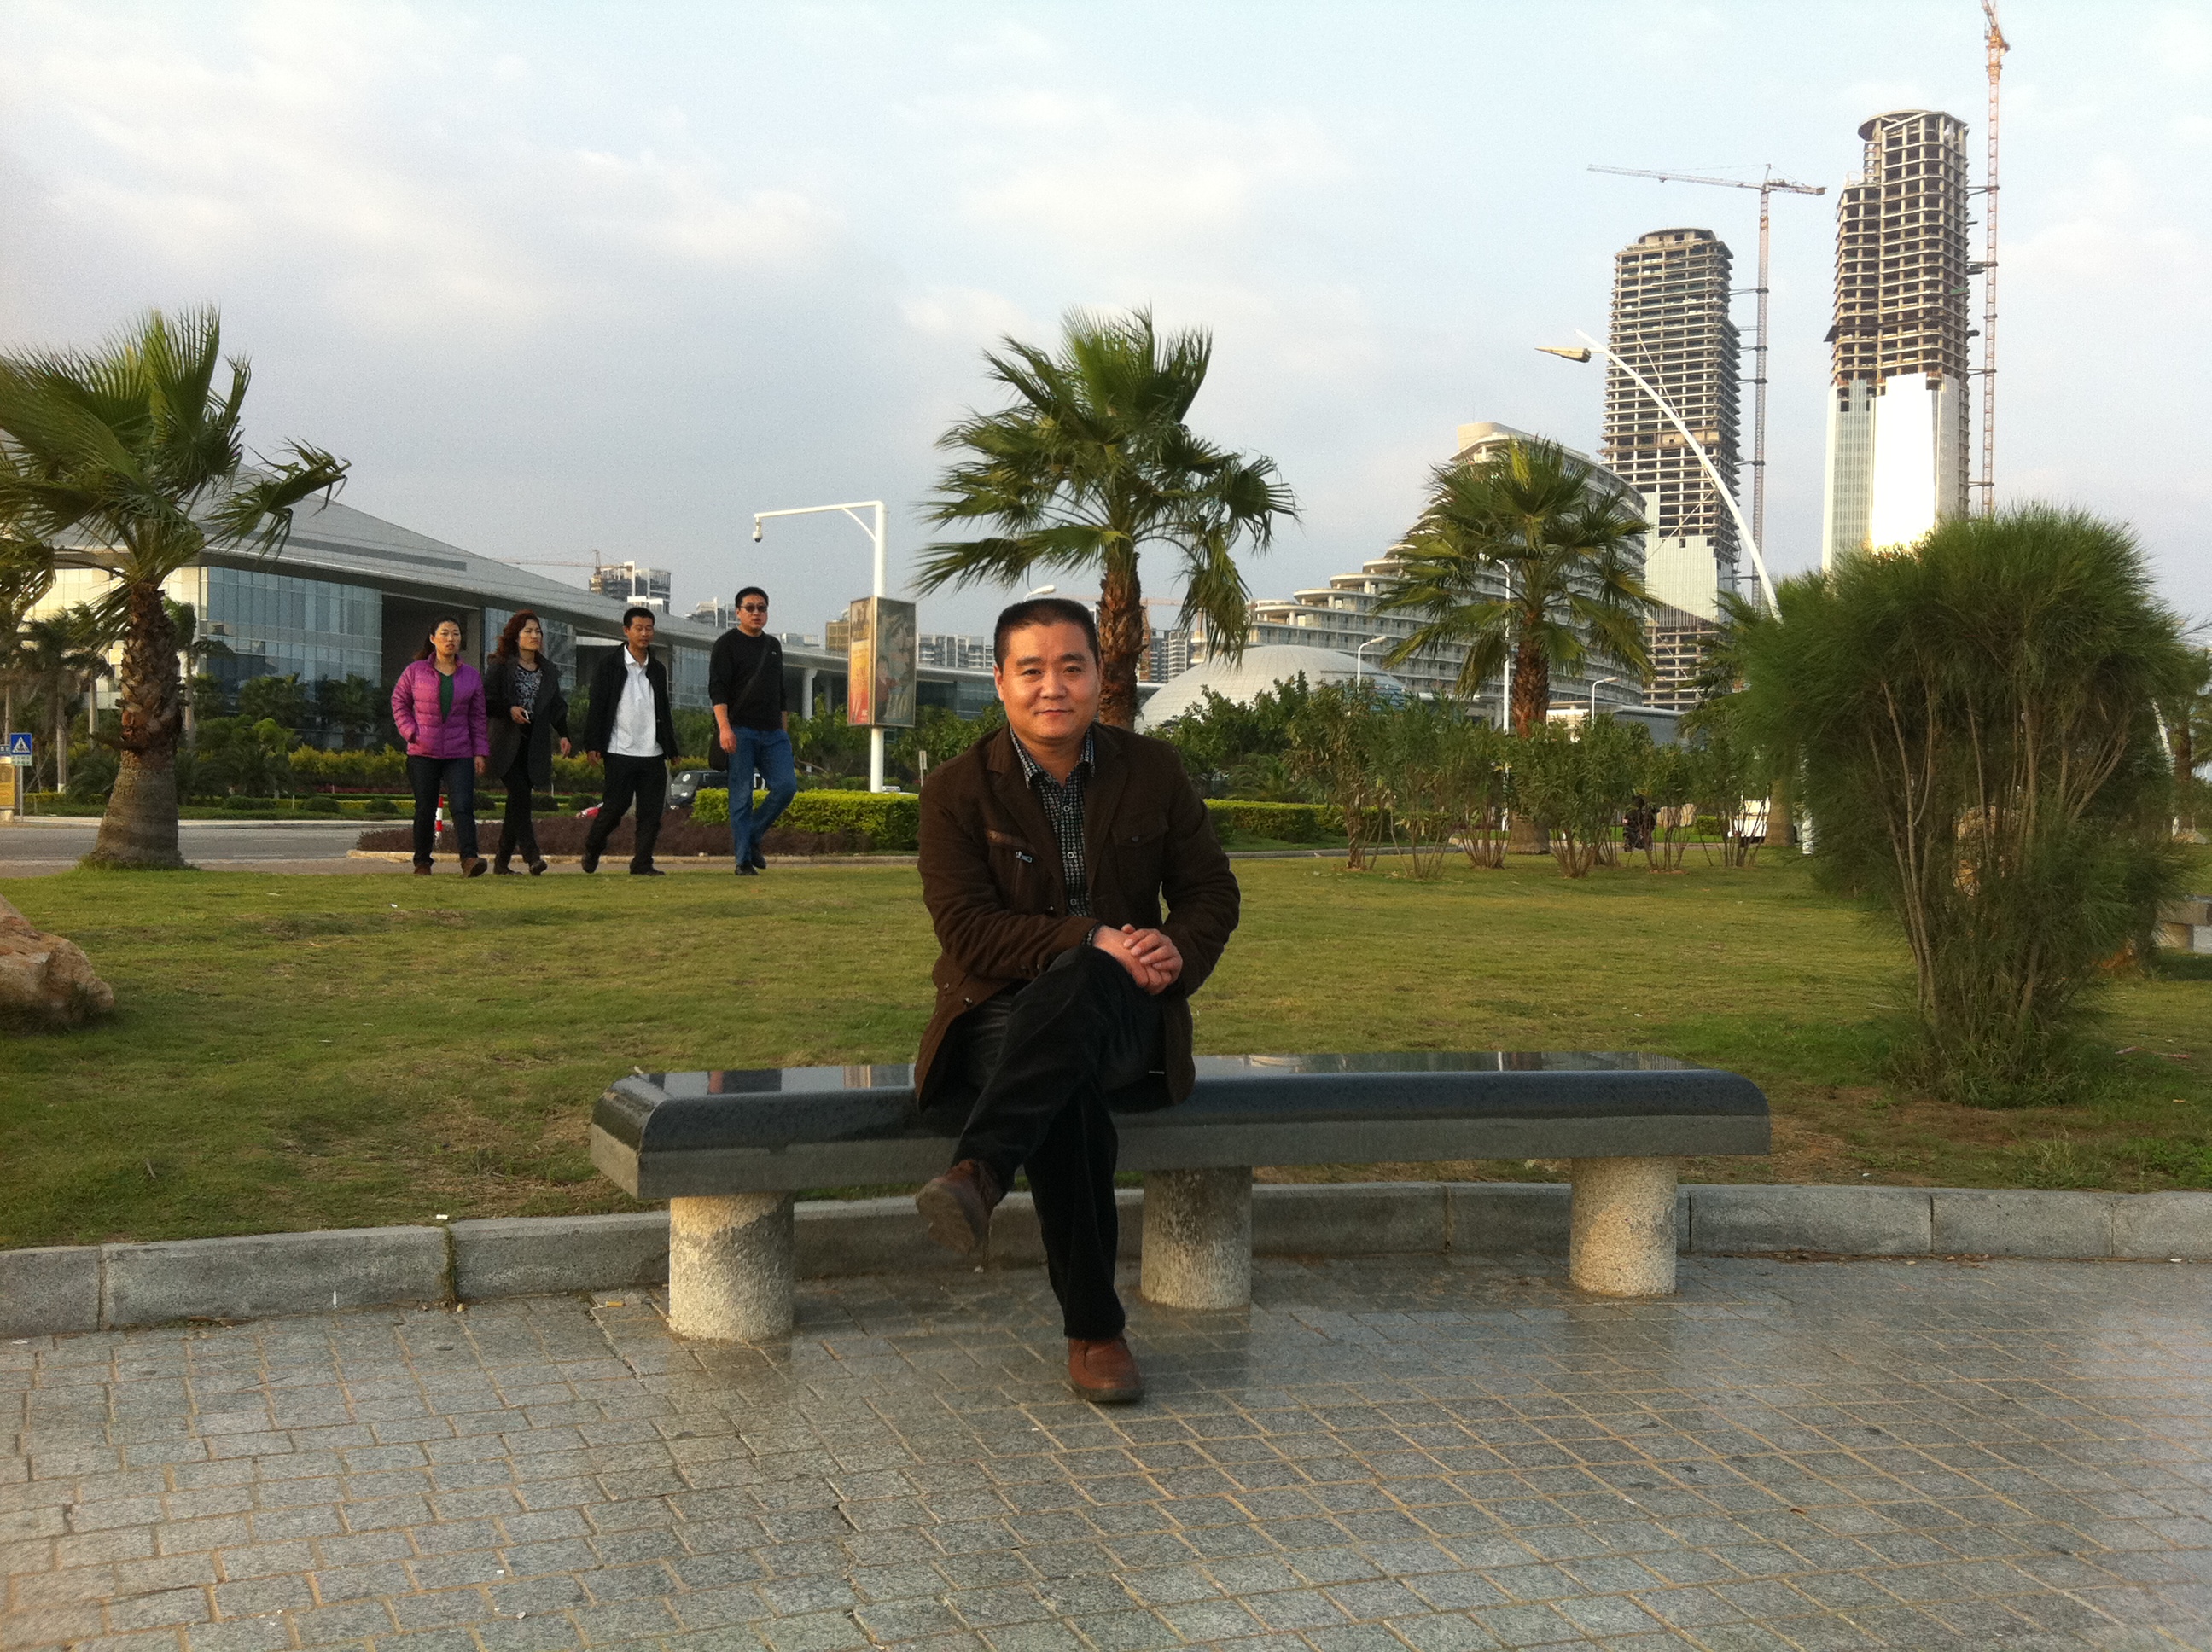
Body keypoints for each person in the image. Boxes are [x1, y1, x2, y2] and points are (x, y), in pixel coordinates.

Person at [910, 597, 1241, 1405]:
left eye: (1071, 667)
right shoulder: (956, 791)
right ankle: (1095, 1331)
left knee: (1087, 989)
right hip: (997, 1014)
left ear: (1100, 675)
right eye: (1031, 670)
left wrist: (1178, 948)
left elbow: (1210, 892)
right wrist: (1087, 937)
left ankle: (982, 1170)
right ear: (1000, 682)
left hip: (1124, 1012)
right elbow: (967, 932)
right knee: (1066, 1081)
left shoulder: (1152, 770)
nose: (1052, 686)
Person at [580, 606, 678, 876]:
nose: (644, 633)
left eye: (649, 628)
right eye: (639, 628)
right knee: (615, 807)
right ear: (626, 631)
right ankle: (593, 845)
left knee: (651, 814)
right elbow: (597, 706)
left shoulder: (657, 669)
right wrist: (593, 744)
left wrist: (671, 748)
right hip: (619, 749)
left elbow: (663, 711)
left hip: (652, 752)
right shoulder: (609, 665)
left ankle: (642, 862)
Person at [707, 586, 797, 875]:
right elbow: (717, 690)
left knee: (786, 787)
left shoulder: (773, 645)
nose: (756, 613)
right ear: (738, 612)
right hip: (740, 731)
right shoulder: (726, 644)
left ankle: (753, 835)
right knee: (741, 796)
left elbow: (780, 692)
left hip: (773, 733)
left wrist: (784, 731)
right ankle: (743, 861)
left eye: (762, 608)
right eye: (750, 608)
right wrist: (725, 729)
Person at [390, 616, 489, 877]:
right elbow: (399, 702)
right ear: (433, 639)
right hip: (423, 752)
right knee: (425, 808)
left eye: (455, 634)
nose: (450, 639)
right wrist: (412, 732)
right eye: (444, 633)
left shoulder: (471, 676)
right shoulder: (415, 672)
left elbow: (478, 718)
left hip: (460, 752)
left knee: (463, 806)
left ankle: (469, 859)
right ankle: (422, 862)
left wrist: (480, 752)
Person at [483, 609, 573, 875]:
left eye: (538, 631)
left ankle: (501, 862)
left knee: (517, 802)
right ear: (516, 636)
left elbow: (556, 705)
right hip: (505, 742)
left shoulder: (548, 670)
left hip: (534, 744)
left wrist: (564, 733)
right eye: (528, 631)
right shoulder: (500, 666)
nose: (535, 636)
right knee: (521, 795)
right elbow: (486, 702)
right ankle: (532, 856)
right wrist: (509, 709)